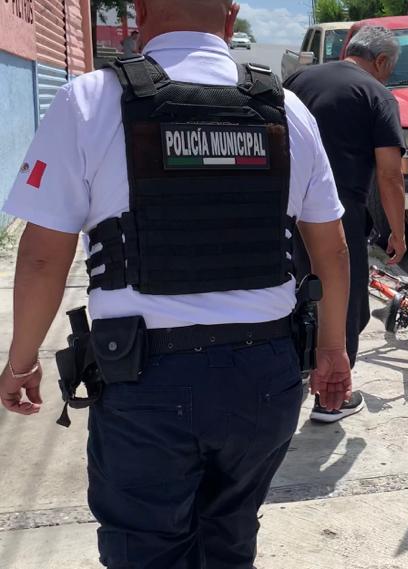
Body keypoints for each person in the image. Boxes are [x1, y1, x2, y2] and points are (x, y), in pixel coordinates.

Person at [0, 0, 353, 566]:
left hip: (146, 380)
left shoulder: (88, 101)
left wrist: (22, 363)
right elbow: (331, 251)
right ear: (230, 18)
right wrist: (332, 348)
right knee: (230, 538)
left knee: (146, 550)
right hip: (265, 375)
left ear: (140, 11)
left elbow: (43, 258)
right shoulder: (286, 109)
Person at [285, 25, 407, 424]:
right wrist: (398, 232)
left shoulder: (298, 81)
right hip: (339, 213)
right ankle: (332, 399)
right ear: (382, 61)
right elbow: (390, 174)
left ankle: (293, 377)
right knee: (345, 303)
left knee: (293, 294)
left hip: (285, 209)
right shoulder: (377, 95)